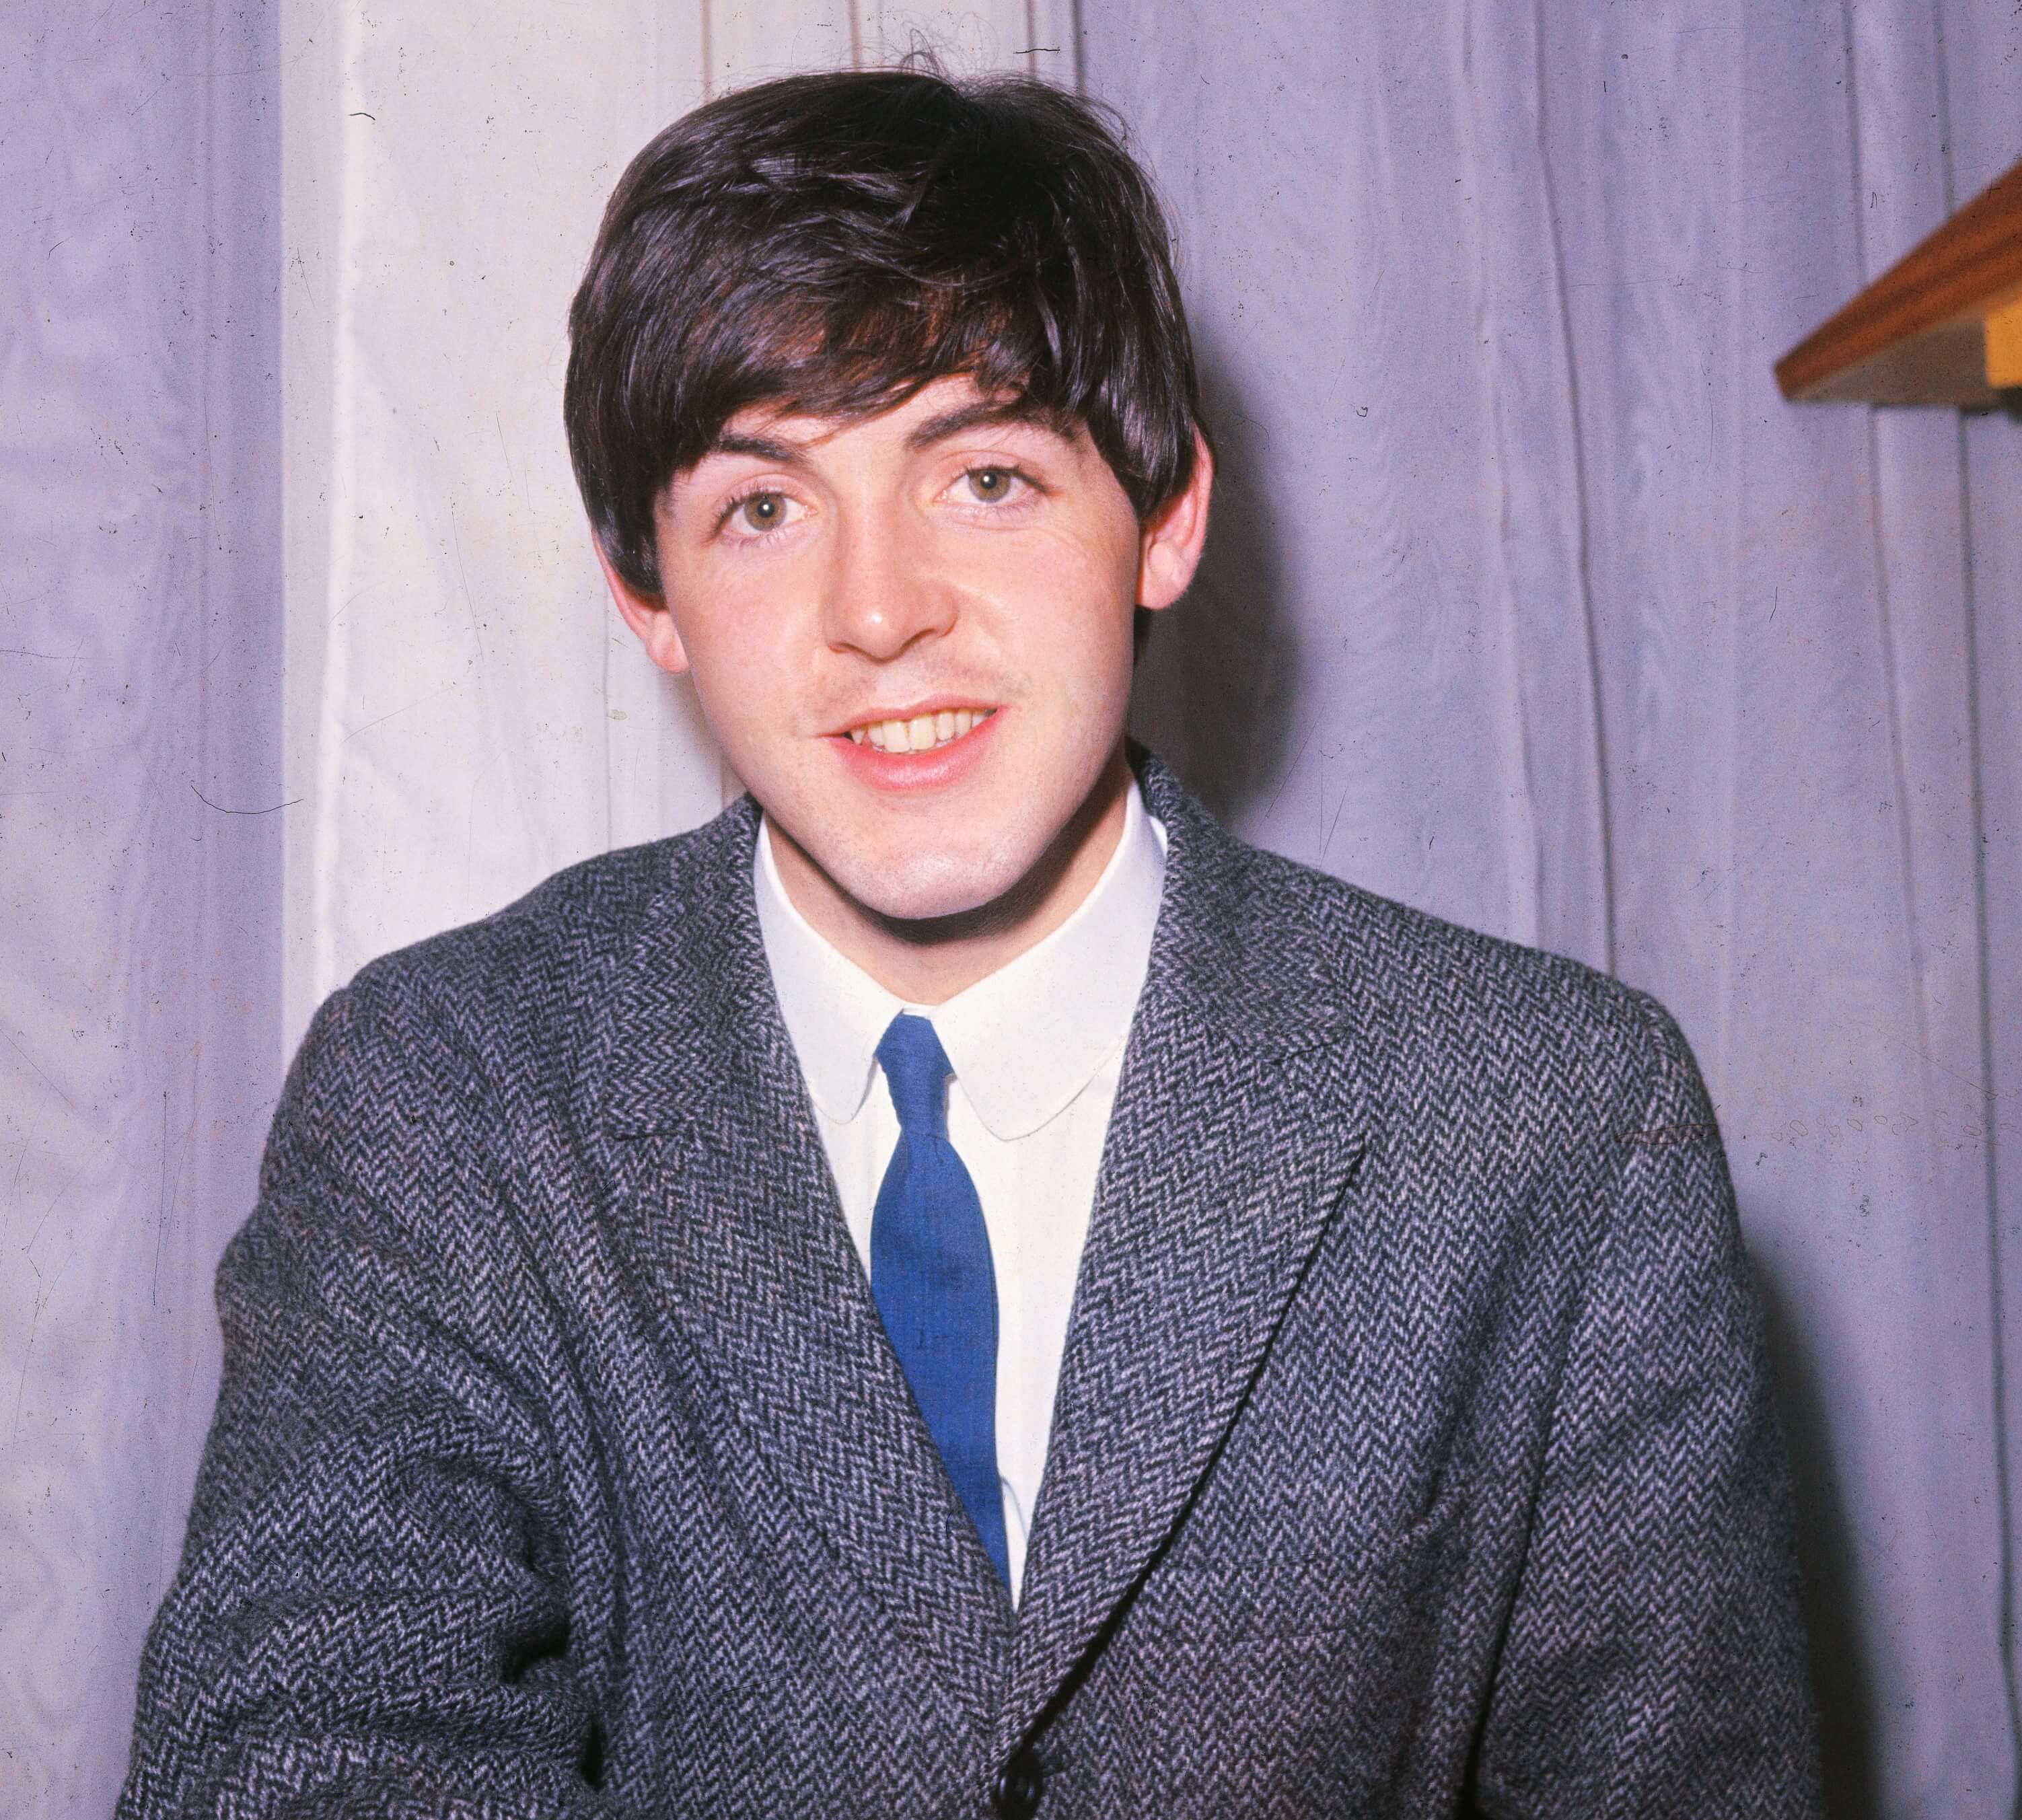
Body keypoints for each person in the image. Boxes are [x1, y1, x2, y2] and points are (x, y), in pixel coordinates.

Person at [119, 65, 1821, 1818]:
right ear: (650, 598)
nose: (878, 611)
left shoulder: (1545, 1116)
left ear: (1162, 519)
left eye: (985, 476)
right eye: (763, 508)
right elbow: (294, 1761)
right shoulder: (447, 1093)